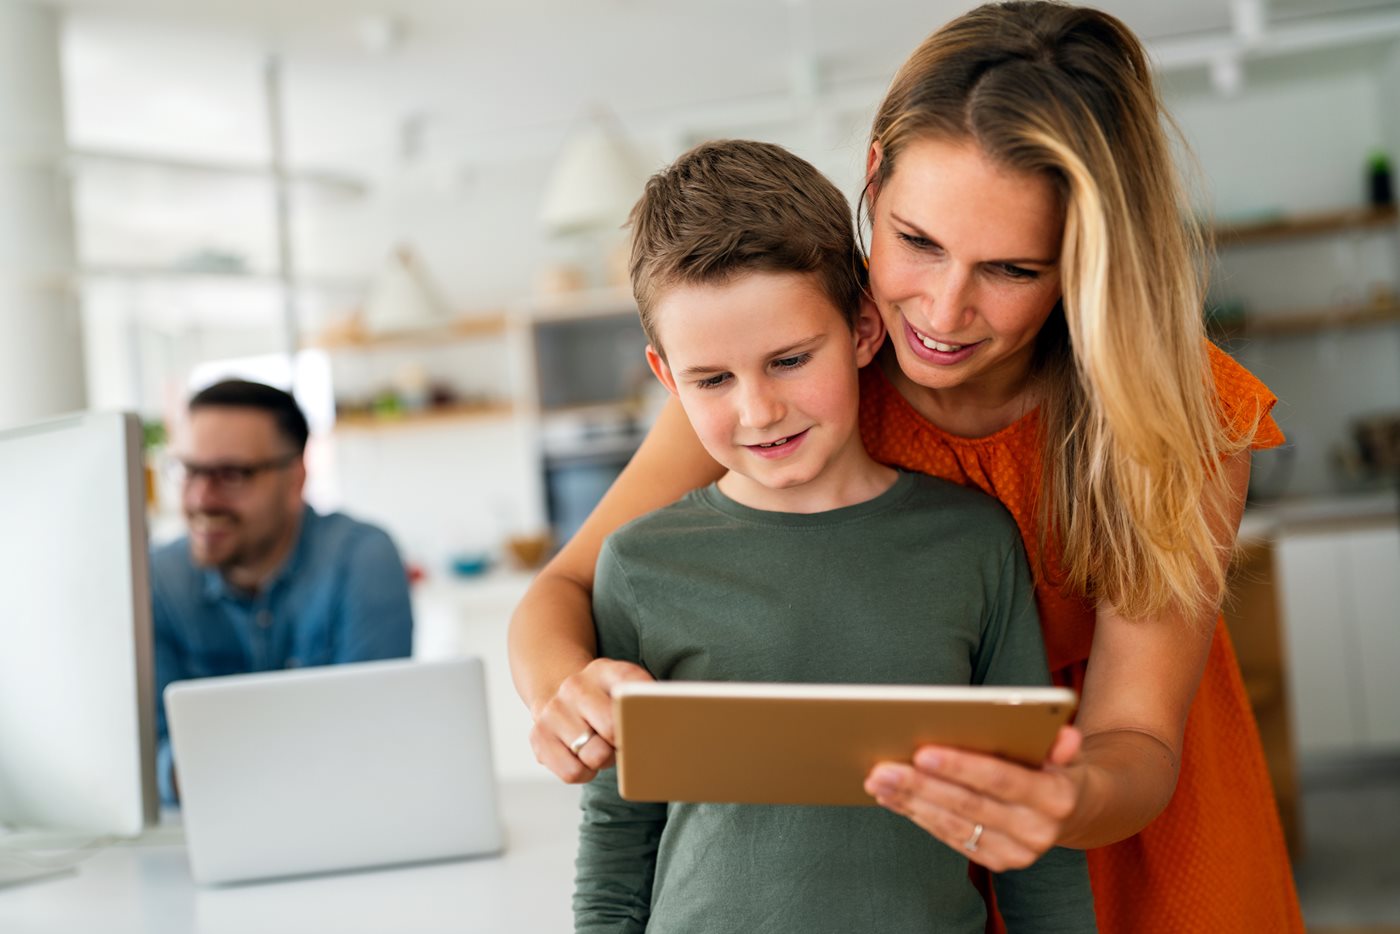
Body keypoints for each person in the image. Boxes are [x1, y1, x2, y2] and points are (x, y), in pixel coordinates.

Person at [513, 3, 1305, 932]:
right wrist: (572, 693)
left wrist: (1056, 799)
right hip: (911, 883)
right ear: (874, 177)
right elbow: (564, 591)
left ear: (1087, 261)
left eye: (1011, 269)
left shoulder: (1181, 413)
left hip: (1130, 839)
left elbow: (1134, 734)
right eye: (918, 242)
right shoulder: (793, 368)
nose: (942, 309)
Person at [574, 138, 1096, 934]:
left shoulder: (972, 544)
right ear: (666, 376)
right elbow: (617, 832)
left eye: (789, 360)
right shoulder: (640, 567)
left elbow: (1032, 824)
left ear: (861, 329)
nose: (759, 410)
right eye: (712, 379)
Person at [151, 379, 413, 803]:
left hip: (344, 815)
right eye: (188, 470)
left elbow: (371, 734)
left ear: (295, 480)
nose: (200, 498)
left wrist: (215, 764)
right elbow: (150, 756)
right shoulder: (157, 579)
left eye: (231, 475)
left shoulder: (360, 557)